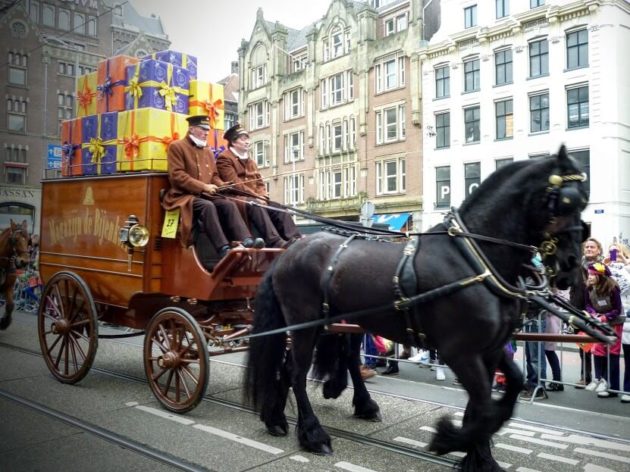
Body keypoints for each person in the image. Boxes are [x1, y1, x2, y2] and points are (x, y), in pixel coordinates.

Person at [162, 115, 264, 258]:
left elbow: (214, 176)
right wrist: (203, 186)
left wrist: (223, 185)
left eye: (208, 130)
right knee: (207, 206)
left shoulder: (208, 151)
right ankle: (223, 248)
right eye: (203, 129)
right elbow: (177, 176)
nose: (206, 133)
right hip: (183, 196)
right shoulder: (177, 146)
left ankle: (245, 239)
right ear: (191, 129)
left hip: (205, 195)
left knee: (228, 204)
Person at [216, 124, 301, 248]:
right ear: (233, 142)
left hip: (255, 198)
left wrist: (262, 195)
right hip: (237, 198)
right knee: (256, 205)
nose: (247, 142)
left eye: (247, 138)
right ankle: (275, 241)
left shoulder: (251, 162)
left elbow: (260, 182)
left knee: (279, 208)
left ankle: (296, 238)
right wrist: (257, 197)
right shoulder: (225, 158)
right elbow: (234, 184)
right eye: (243, 139)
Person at [584, 262, 623, 398]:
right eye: (589, 274)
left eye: (592, 274)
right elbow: (588, 305)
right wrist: (593, 314)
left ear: (600, 275)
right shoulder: (589, 288)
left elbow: (618, 309)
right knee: (598, 350)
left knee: (613, 352)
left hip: (614, 323)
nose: (589, 277)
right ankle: (599, 378)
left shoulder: (613, 288)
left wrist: (605, 317)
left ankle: (610, 384)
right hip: (599, 322)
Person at [574, 238, 604, 388]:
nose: (589, 249)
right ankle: (585, 376)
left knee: (601, 347)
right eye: (587, 247)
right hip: (579, 310)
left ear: (598, 249)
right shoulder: (578, 266)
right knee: (583, 345)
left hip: (598, 311)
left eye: (593, 247)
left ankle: (602, 379)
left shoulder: (603, 266)